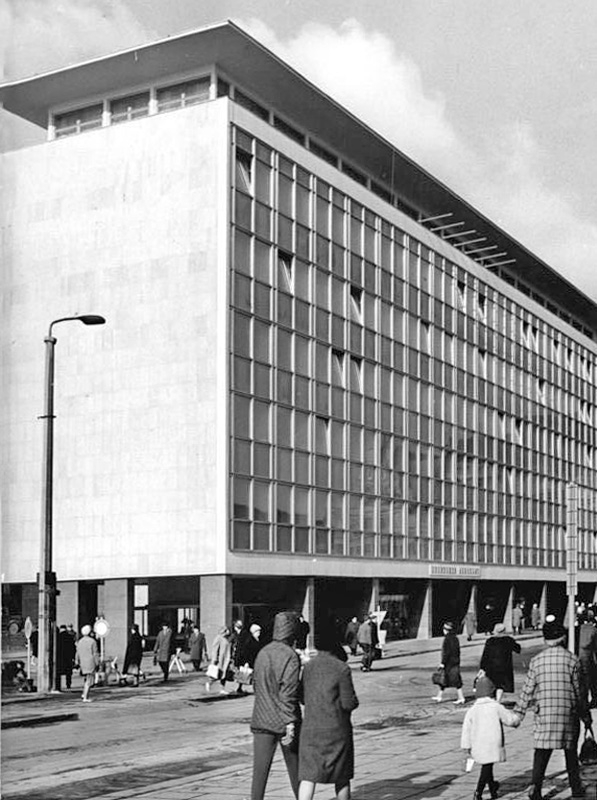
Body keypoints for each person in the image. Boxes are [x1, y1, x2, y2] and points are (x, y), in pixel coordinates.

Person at [514, 615, 591, 800]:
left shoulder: (536, 661)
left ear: (545, 639)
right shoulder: (573, 660)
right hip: (567, 713)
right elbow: (579, 692)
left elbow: (528, 689)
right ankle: (576, 788)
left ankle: (535, 787)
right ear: (562, 638)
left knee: (541, 752)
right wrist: (586, 715)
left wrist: (519, 713)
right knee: (570, 753)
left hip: (545, 714)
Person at [298, 624, 359, 800]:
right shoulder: (341, 668)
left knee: (308, 777)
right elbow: (348, 703)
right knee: (341, 776)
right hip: (337, 732)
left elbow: (302, 697)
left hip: (311, 730)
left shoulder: (308, 667)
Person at [250, 611, 301, 800]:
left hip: (261, 720)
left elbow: (257, 684)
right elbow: (288, 692)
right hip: (284, 722)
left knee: (259, 774)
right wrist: (290, 722)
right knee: (296, 771)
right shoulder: (290, 656)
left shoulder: (263, 652)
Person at [461, 675, 520, 800]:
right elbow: (510, 720)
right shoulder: (495, 706)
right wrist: (517, 719)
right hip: (493, 742)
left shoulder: (472, 710)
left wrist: (466, 746)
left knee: (487, 765)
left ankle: (493, 786)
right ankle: (479, 791)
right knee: (487, 766)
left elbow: (466, 730)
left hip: (478, 742)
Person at [480, 622, 521, 703]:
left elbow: (485, 655)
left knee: (493, 683)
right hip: (504, 666)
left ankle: (492, 700)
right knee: (501, 685)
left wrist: (482, 667)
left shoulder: (490, 640)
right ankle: (498, 701)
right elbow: (518, 649)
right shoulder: (508, 640)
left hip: (491, 666)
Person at [432, 621, 465, 704]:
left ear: (446, 630)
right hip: (455, 661)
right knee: (445, 679)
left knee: (455, 680)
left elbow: (447, 652)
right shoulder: (455, 638)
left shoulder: (447, 639)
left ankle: (461, 698)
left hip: (449, 663)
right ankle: (439, 696)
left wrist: (443, 663)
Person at [76, 624, 99, 702]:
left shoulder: (80, 641)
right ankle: (85, 697)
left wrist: (77, 661)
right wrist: (97, 663)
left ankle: (84, 693)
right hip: (90, 662)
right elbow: (95, 653)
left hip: (83, 662)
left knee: (86, 679)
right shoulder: (92, 641)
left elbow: (77, 653)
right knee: (89, 680)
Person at [206, 625, 232, 694]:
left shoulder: (226, 639)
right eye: (227, 630)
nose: (229, 631)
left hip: (226, 659)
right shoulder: (218, 638)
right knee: (217, 674)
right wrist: (214, 659)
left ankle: (222, 689)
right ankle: (209, 683)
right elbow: (215, 649)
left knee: (224, 674)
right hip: (220, 660)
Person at [56, 624, 76, 691]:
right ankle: (68, 684)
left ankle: (58, 686)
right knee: (68, 673)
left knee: (58, 672)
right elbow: (73, 648)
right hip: (68, 657)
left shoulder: (57, 637)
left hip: (59, 657)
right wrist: (73, 657)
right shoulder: (70, 637)